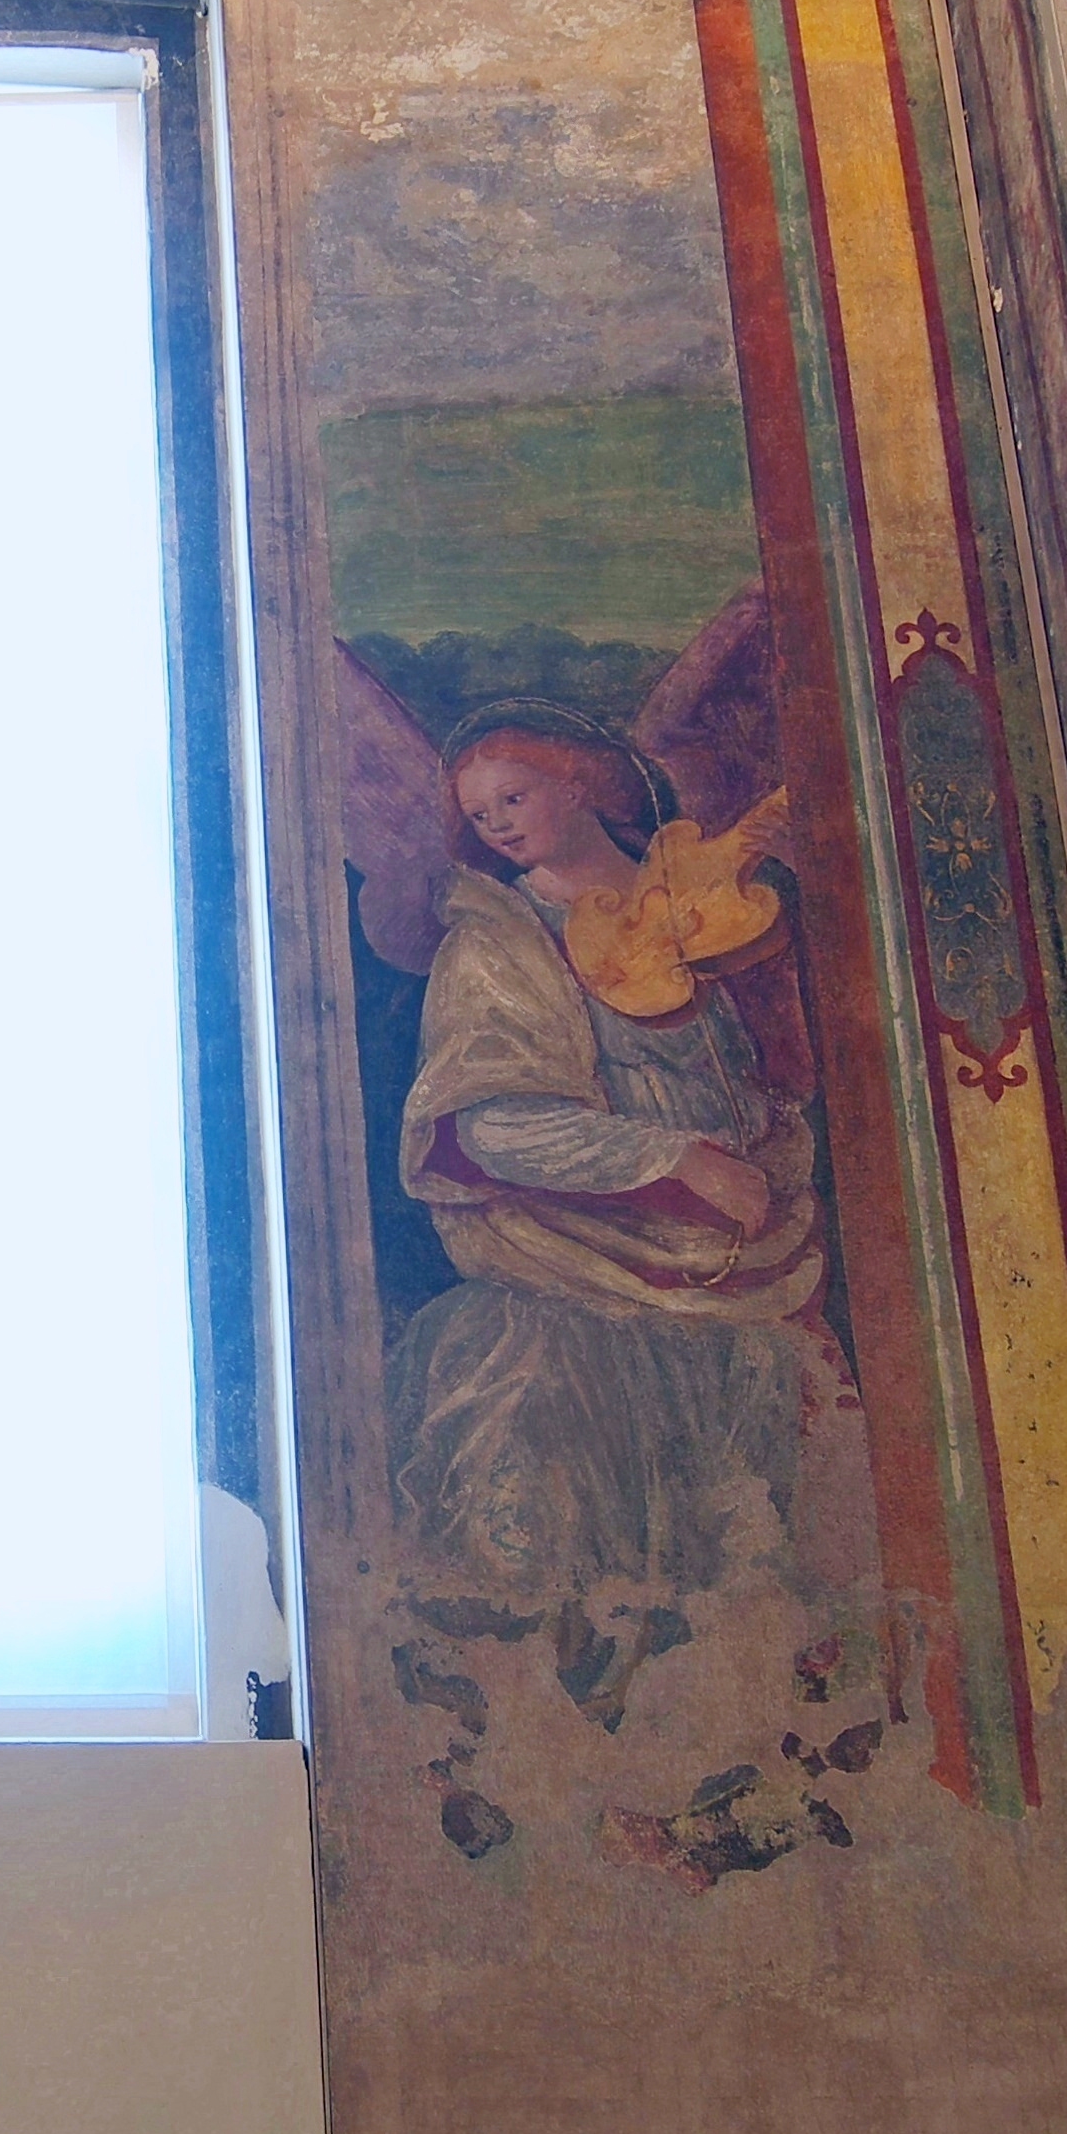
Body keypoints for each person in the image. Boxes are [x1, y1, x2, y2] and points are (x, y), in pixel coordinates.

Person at [390, 710, 830, 1734]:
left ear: (580, 782)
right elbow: (483, 1122)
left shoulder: (702, 897)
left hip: (747, 1264)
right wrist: (664, 1158)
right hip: (574, 1276)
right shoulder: (497, 943)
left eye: (515, 795)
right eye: (480, 812)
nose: (498, 824)